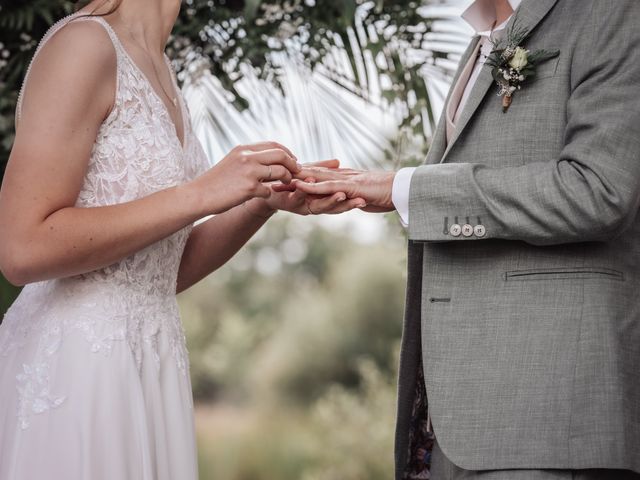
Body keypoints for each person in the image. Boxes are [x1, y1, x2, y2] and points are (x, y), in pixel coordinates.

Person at [0, 0, 360, 478]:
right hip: (77, 370)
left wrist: (261, 201)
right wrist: (201, 193)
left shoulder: (162, 69)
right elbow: (21, 248)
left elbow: (161, 269)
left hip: (151, 361)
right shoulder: (84, 45)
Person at [289, 0, 640, 478]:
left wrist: (406, 188)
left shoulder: (611, 11)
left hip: (548, 419)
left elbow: (598, 190)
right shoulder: (481, 38)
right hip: (458, 418)